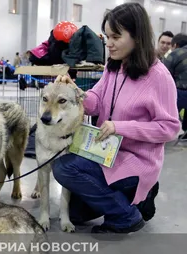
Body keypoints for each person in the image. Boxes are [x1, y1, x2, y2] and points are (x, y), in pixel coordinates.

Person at [52, 2, 180, 234]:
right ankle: (133, 199)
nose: (108, 43)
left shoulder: (159, 76)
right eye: (107, 36)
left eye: (116, 37)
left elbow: (169, 128)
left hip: (136, 161)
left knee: (64, 168)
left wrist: (120, 127)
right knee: (75, 215)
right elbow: (97, 101)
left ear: (137, 36)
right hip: (106, 155)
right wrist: (76, 94)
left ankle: (127, 215)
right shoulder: (114, 67)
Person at [164, 33, 187, 135]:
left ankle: (166, 131)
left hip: (181, 93)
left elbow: (163, 74)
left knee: (166, 107)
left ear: (175, 45)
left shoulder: (175, 54)